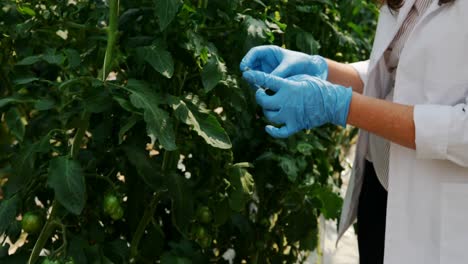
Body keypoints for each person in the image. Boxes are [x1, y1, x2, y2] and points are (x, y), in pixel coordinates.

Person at [239, 0, 468, 263]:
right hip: (382, 187)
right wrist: (325, 70)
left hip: (439, 218)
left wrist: (342, 105)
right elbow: (405, 70)